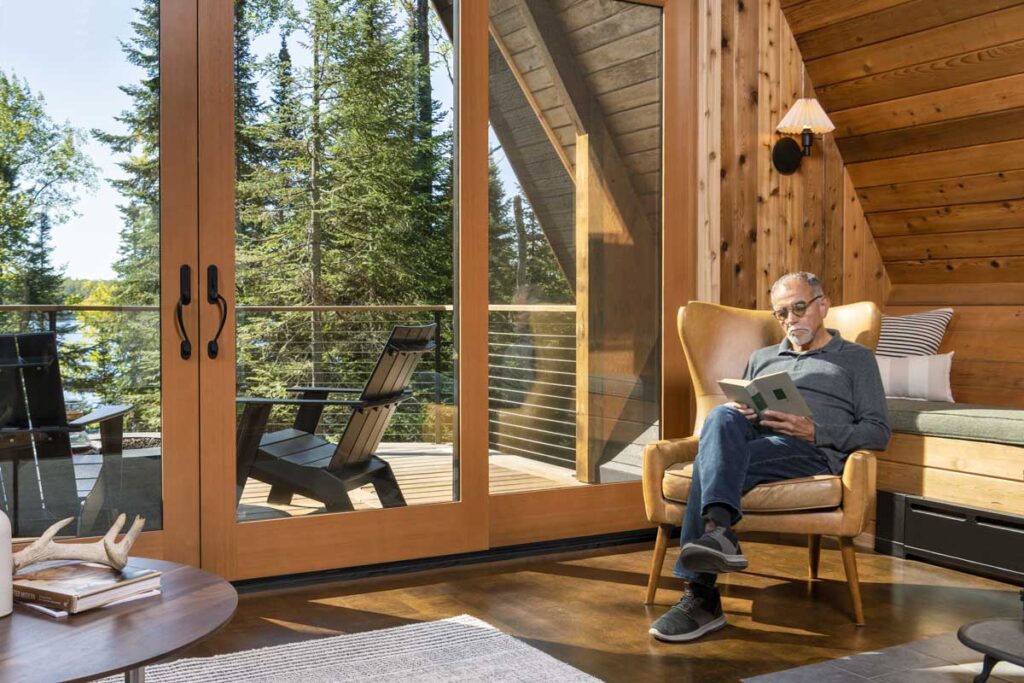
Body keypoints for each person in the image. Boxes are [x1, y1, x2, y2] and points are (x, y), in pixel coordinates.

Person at [649, 271, 891, 642]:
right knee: (722, 415)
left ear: (821, 305)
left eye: (799, 307)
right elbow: (741, 409)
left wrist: (815, 431)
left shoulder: (856, 360)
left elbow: (878, 432)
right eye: (781, 313)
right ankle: (718, 533)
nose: (791, 319)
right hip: (757, 441)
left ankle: (700, 597)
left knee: (708, 464)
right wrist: (744, 411)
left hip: (810, 451)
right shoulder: (762, 357)